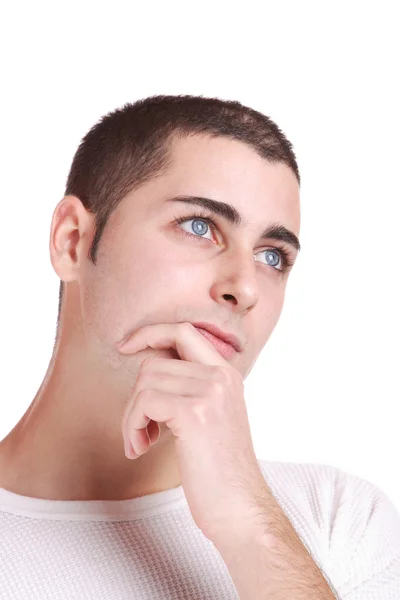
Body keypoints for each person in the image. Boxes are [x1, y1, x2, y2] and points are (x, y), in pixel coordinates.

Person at [0, 95, 398, 599]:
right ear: (73, 240)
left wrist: (246, 517)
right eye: (200, 226)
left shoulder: (337, 519)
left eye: (272, 256)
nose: (246, 286)